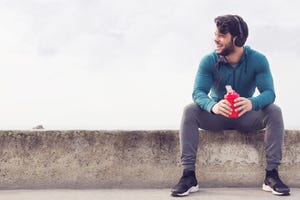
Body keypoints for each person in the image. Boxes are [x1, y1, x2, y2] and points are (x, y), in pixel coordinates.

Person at [171, 14, 290, 197]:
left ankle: (271, 175)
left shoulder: (258, 60)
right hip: (218, 115)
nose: (215, 40)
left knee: (274, 111)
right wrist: (213, 106)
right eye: (215, 34)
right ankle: (188, 176)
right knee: (190, 110)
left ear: (237, 38)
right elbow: (198, 92)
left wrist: (252, 102)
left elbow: (269, 93)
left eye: (221, 36)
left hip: (245, 116)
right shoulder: (209, 61)